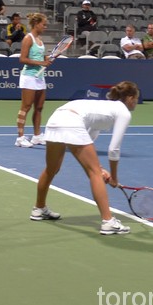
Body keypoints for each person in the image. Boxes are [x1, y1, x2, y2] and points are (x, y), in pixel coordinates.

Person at [31, 81, 139, 235]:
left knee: (52, 168)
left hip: (56, 118)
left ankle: (39, 209)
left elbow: (88, 139)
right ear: (130, 98)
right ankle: (108, 222)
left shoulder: (104, 109)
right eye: (136, 99)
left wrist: (101, 168)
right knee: (93, 173)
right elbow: (113, 149)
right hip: (71, 121)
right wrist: (113, 177)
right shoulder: (123, 112)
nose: (136, 103)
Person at [15, 13, 53, 148]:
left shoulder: (40, 39)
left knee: (39, 107)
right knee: (26, 107)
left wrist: (47, 59)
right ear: (36, 24)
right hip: (29, 77)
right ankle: (20, 138)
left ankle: (37, 136)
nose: (45, 27)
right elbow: (22, 59)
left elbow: (41, 56)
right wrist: (41, 63)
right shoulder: (28, 38)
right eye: (44, 24)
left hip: (40, 77)